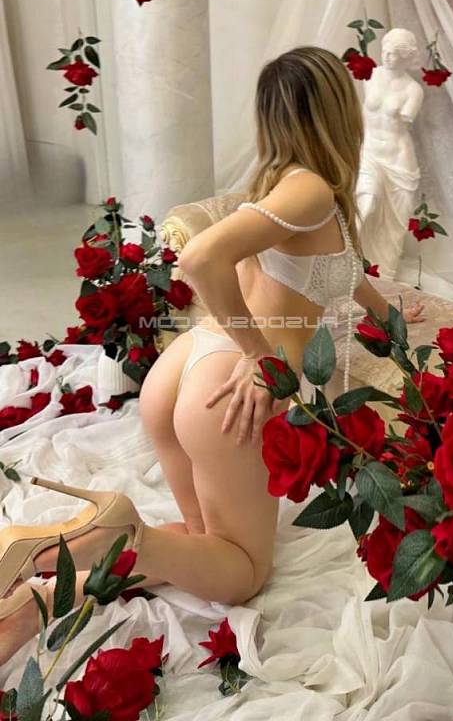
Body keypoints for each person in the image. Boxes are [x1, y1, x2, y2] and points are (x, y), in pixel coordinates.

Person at [0, 46, 425, 665]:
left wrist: (389, 316)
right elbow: (199, 258)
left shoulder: (287, 189)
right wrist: (262, 359)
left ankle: (41, 590)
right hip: (228, 386)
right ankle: (109, 532)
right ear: (340, 108)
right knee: (243, 573)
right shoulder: (308, 190)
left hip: (190, 368)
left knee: (202, 548)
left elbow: (337, 273)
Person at [355, 28, 424, 278]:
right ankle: (347, 261)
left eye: (393, 53)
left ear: (406, 57)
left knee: (394, 225)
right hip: (370, 153)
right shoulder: (370, 75)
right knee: (365, 202)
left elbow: (404, 120)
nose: (386, 57)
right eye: (385, 51)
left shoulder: (413, 90)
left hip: (398, 159)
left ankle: (384, 274)